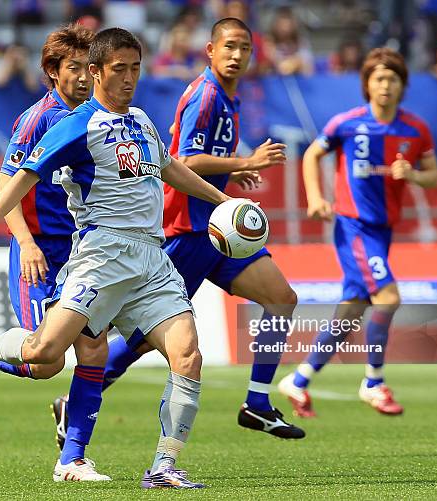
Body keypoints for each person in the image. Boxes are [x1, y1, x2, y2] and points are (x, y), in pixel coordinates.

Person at [0, 27, 237, 489]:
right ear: (99, 72)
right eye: (119, 69)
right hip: (100, 255)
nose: (129, 79)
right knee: (44, 353)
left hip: (151, 260)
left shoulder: (140, 120)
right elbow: (20, 178)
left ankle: (163, 466)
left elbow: (171, 167)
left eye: (135, 69)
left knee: (188, 354)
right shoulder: (75, 125)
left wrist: (222, 201)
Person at [52, 17, 305, 447]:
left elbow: (204, 158)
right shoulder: (204, 96)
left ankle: (257, 404)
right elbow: (182, 161)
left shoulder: (228, 97)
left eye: (244, 48)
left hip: (219, 232)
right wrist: (244, 163)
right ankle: (71, 403)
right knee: (149, 337)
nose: (236, 55)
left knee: (282, 298)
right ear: (210, 50)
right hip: (187, 230)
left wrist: (230, 176)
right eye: (229, 47)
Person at [278, 48, 437, 418]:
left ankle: (299, 379)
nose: (385, 85)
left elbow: (434, 175)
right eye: (379, 78)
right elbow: (311, 155)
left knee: (351, 312)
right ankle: (373, 381)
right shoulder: (346, 123)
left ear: (403, 85)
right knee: (388, 297)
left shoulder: (415, 129)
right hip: (353, 226)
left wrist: (412, 175)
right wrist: (317, 197)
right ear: (367, 84)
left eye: (393, 78)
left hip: (382, 231)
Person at [0, 24, 95, 382]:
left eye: (88, 68)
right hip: (38, 251)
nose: (83, 78)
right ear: (53, 71)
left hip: (80, 251)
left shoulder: (97, 117)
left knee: (93, 349)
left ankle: (75, 432)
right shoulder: (38, 119)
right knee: (46, 361)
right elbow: (6, 185)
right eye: (74, 68)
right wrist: (26, 243)